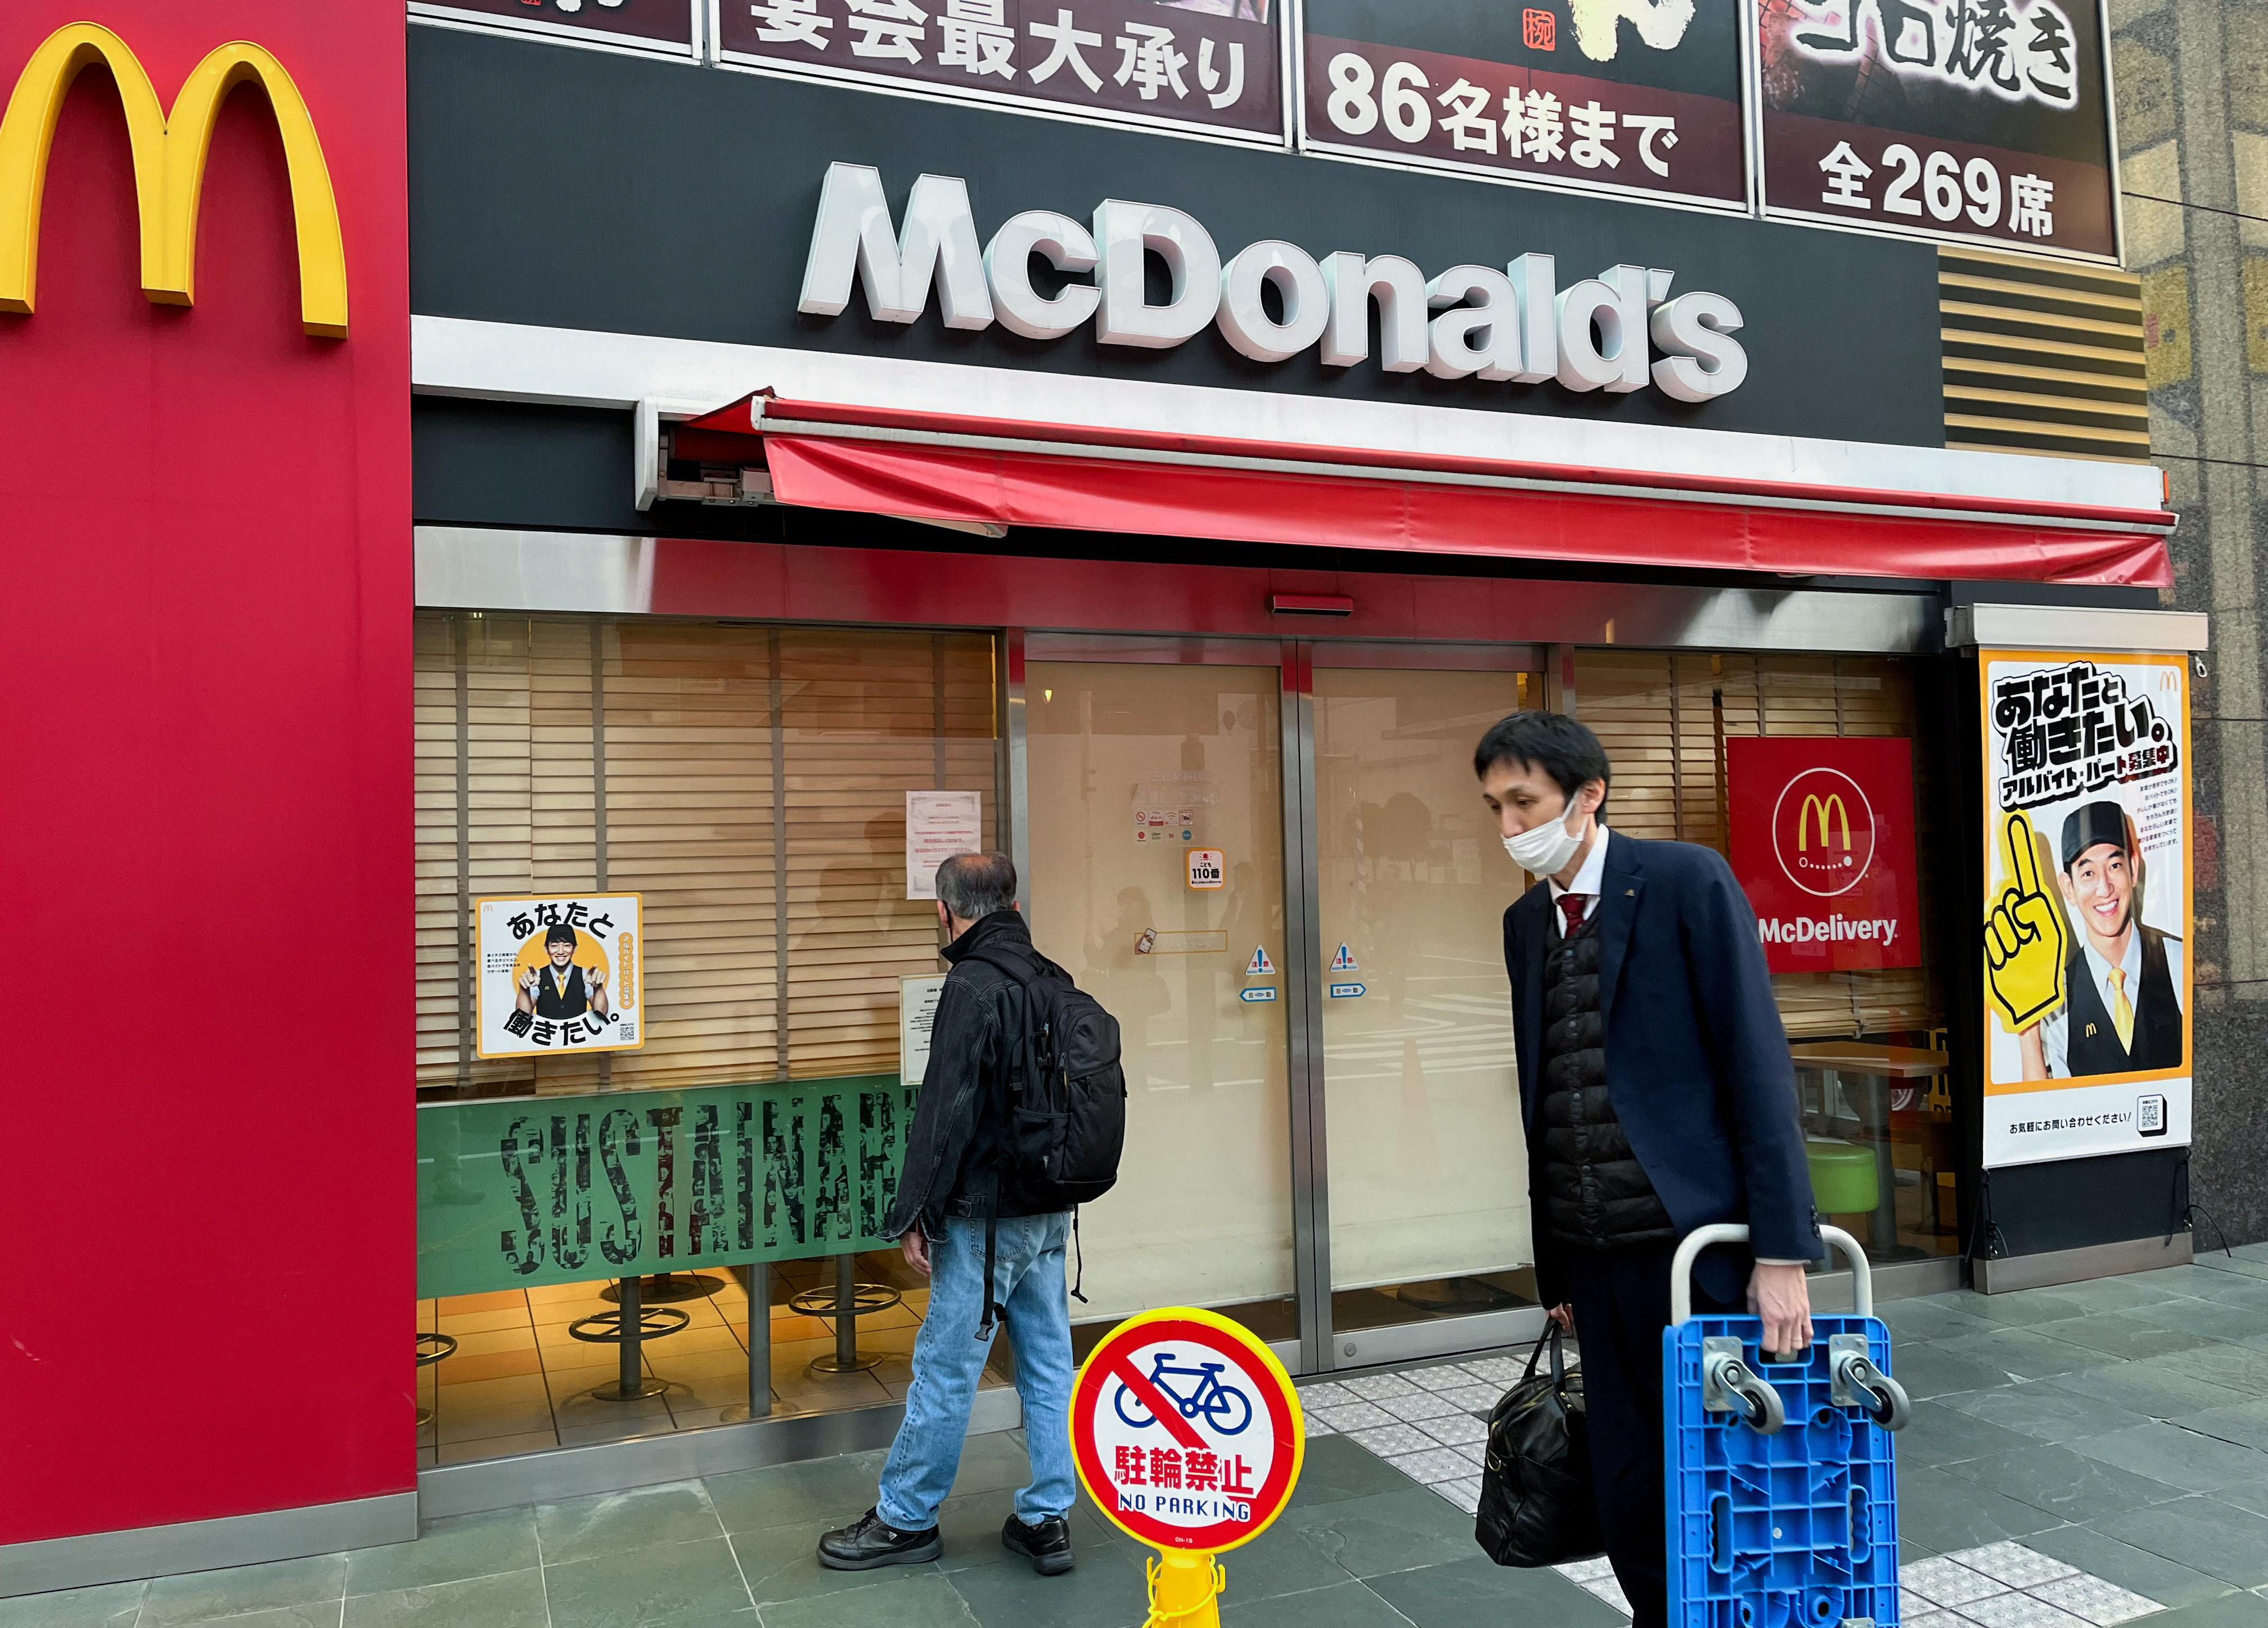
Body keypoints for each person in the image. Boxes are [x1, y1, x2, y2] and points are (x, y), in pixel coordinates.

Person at [1478, 712, 1821, 1628]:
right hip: (1595, 1260)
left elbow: (1755, 1067)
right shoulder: (1524, 925)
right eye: (1495, 808)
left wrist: (1780, 1254)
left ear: (1587, 795)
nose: (1510, 827)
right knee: (1628, 1486)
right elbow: (1544, 1091)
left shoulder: (1680, 882)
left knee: (1728, 1475)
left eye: (1525, 802)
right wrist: (1555, 1268)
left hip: (1698, 1251)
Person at [817, 851, 1079, 1577]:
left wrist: (915, 1213)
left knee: (946, 1366)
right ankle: (1047, 1518)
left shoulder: (969, 985)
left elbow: (946, 1112)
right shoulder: (1053, 977)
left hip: (986, 1217)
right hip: (1051, 1210)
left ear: (945, 910)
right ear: (1013, 905)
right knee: (1050, 1363)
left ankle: (905, 1519)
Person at [2019, 800, 2184, 1079]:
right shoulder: (2056, 999)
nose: (2104, 888)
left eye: (2115, 865)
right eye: (2088, 873)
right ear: (2068, 887)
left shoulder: (2180, 962)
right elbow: (2043, 1110)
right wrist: (2026, 1027)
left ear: (2133, 869)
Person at [517, 922, 608, 1020]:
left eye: (567, 945)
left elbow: (601, 1013)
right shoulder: (536, 976)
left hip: (578, 1034)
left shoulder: (586, 975)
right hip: (546, 1033)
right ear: (546, 949)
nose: (561, 952)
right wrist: (524, 989)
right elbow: (523, 1016)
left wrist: (598, 988)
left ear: (575, 949)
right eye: (554, 946)